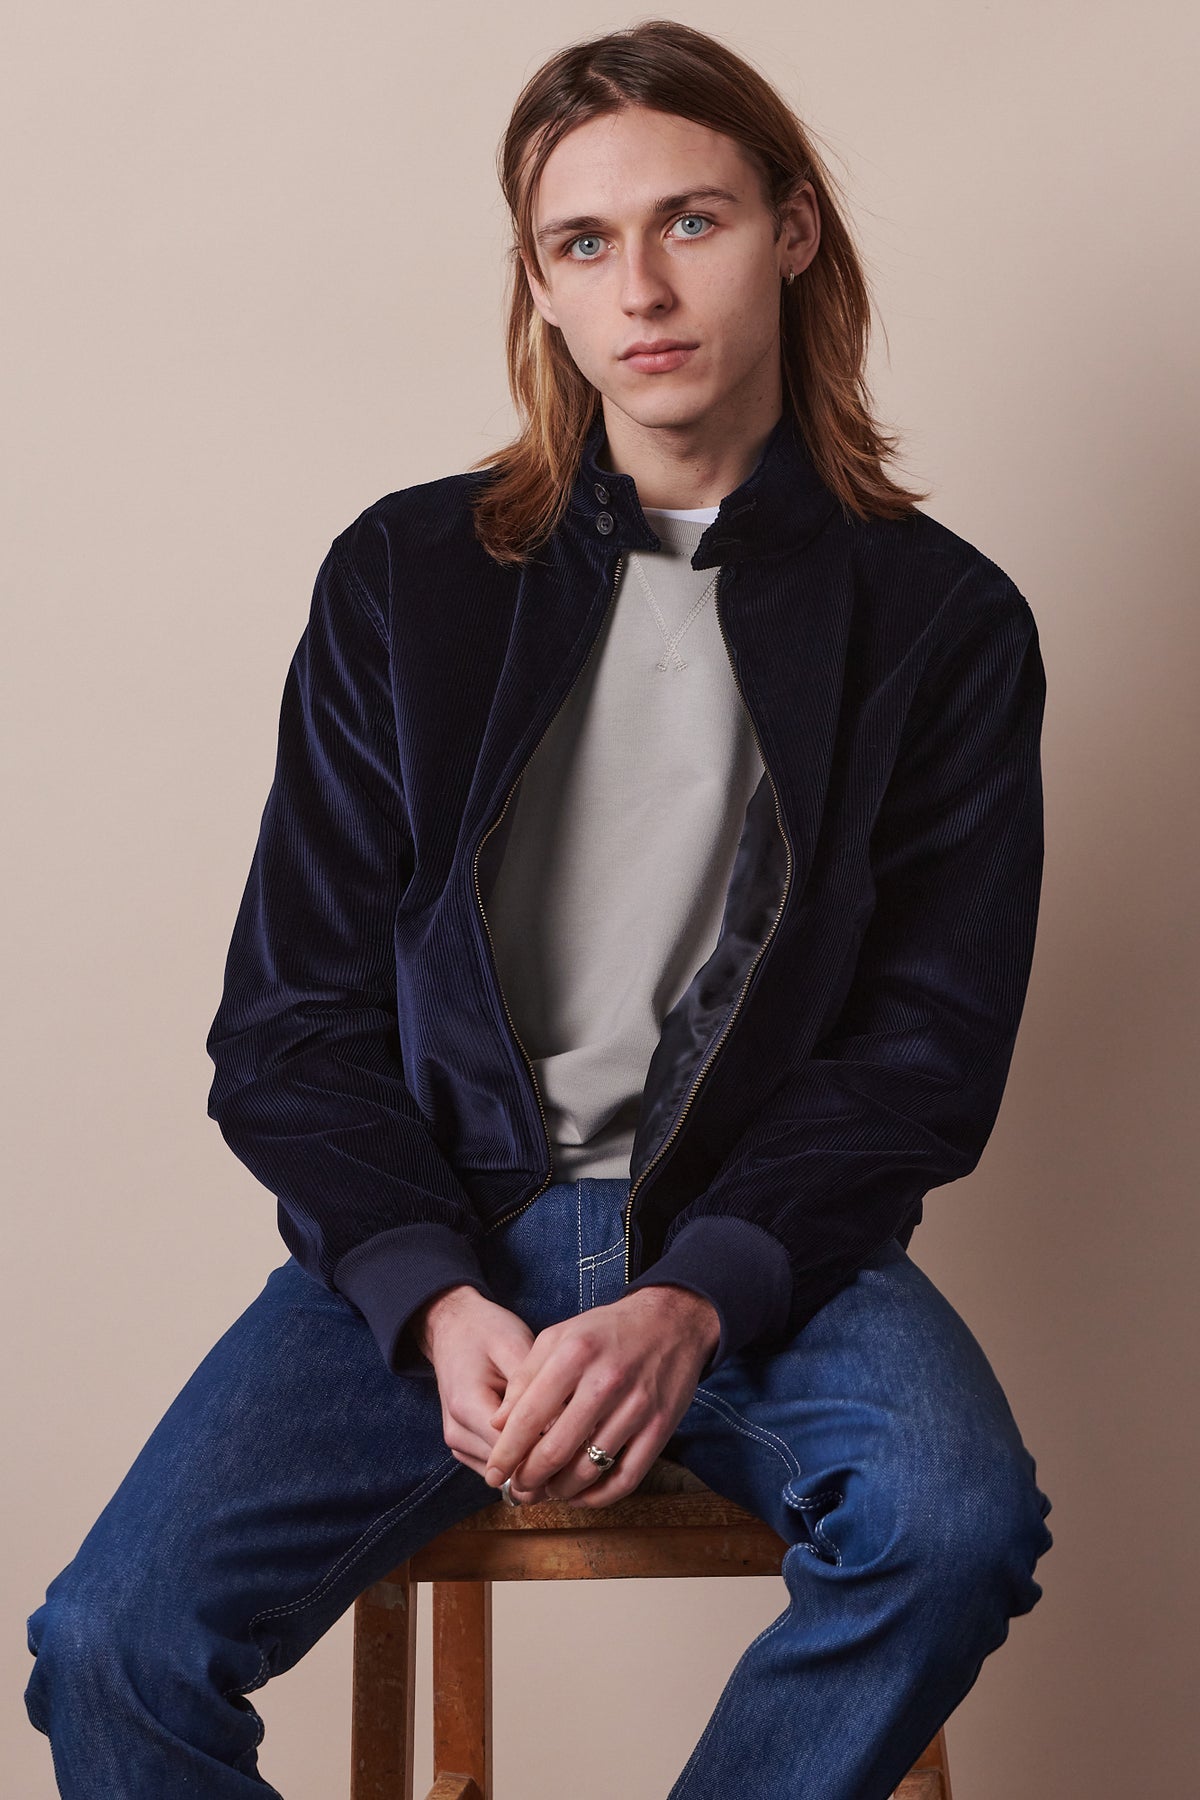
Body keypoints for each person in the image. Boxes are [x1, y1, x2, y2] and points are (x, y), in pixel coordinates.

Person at [23, 20, 1054, 1798]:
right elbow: (291, 1023)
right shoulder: (408, 579)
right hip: (438, 1234)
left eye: (693, 222)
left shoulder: (940, 622)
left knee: (953, 1527)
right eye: (584, 243)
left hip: (759, 1254)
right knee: (110, 1648)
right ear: (541, 285)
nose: (641, 286)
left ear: (794, 234)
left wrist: (697, 1298)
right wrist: (428, 1299)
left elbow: (921, 1058)